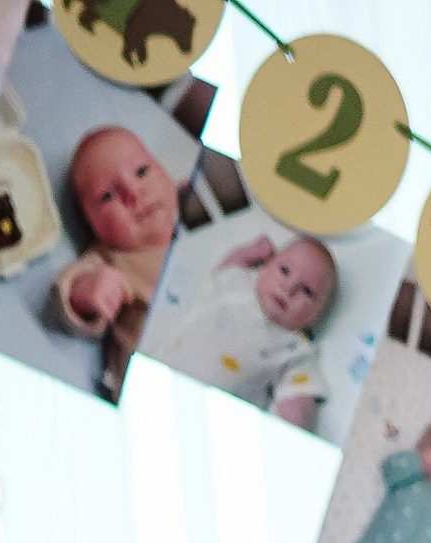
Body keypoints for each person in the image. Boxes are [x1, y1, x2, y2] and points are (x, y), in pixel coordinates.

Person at [158, 227, 336, 425]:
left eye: (306, 291)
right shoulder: (238, 280)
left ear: (315, 316)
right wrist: (252, 251)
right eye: (284, 270)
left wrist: (298, 412)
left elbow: (300, 391)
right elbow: (227, 265)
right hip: (161, 374)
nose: (289, 288)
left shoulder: (295, 347)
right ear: (266, 267)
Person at [52, 122, 181, 393]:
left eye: (142, 171)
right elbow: (66, 291)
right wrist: (84, 294)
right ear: (91, 224)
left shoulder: (193, 210)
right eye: (108, 196)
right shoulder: (113, 258)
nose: (133, 193)